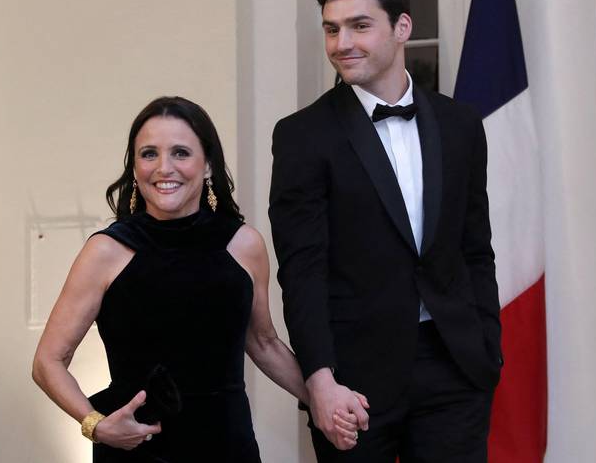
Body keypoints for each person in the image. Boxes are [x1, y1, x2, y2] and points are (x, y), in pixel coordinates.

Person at [32, 96, 365, 462]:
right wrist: (95, 424)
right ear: (134, 166)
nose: (164, 168)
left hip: (227, 447)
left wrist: (324, 396)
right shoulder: (106, 251)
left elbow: (264, 343)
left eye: (180, 153)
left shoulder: (244, 245)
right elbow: (48, 361)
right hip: (139, 449)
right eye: (148, 154)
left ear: (207, 165)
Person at [268, 0, 502, 463]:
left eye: (359, 26)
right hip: (355, 380)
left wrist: (487, 352)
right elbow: (302, 269)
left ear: (401, 28)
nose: (341, 43)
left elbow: (475, 249)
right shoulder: (302, 136)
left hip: (455, 367)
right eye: (332, 29)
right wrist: (320, 379)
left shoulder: (460, 125)